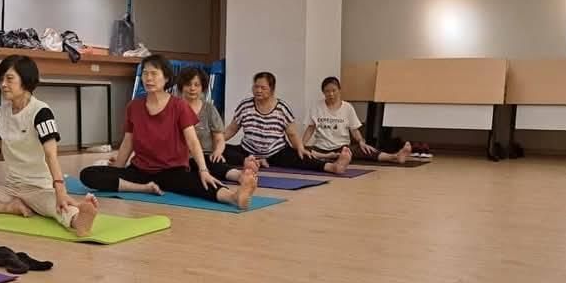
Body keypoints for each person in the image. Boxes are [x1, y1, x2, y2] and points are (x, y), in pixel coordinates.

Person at [0, 55, 99, 236]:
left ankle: (78, 221)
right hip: (11, 190)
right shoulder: (2, 111)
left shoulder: (41, 112)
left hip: (39, 189)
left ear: (26, 80)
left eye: (9, 79)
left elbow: (51, 155)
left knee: (60, 206)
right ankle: (8, 207)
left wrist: (60, 190)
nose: (3, 84)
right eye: (1, 79)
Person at [80, 56, 257, 210]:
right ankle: (143, 188)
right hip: (140, 171)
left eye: (154, 73)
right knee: (87, 174)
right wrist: (118, 168)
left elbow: (193, 142)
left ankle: (234, 197)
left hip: (173, 170)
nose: (148, 78)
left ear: (166, 78)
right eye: (145, 73)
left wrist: (203, 170)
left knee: (200, 183)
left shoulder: (179, 106)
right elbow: (128, 141)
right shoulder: (134, 106)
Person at [223, 72, 352, 174]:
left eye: (263, 88)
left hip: (276, 152)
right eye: (256, 87)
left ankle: (333, 167)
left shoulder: (282, 108)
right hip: (248, 151)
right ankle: (254, 161)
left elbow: (292, 134)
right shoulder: (245, 106)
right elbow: (232, 129)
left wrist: (300, 148)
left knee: (302, 156)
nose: (258, 90)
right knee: (221, 150)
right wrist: (218, 141)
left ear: (272, 89)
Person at [176, 67, 260, 181]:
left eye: (197, 85)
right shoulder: (174, 108)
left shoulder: (209, 109)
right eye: (188, 84)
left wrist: (217, 152)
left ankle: (241, 176)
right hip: (181, 157)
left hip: (206, 154)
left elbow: (219, 138)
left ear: (202, 88)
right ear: (181, 86)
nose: (192, 88)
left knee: (216, 162)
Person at [302, 76, 412, 164]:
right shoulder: (316, 107)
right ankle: (328, 156)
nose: (331, 94)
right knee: (304, 152)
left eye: (334, 90)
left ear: (339, 90)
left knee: (365, 150)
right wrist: (301, 145)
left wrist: (361, 142)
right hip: (320, 148)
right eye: (327, 91)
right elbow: (310, 129)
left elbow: (354, 130)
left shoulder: (347, 107)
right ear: (323, 92)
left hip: (342, 147)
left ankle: (395, 157)